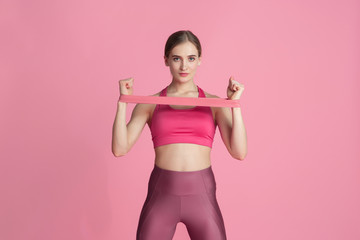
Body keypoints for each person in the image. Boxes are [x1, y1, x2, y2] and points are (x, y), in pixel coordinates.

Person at [112, 30, 247, 240]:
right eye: (177, 58)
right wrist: (123, 101)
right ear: (166, 60)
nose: (184, 66)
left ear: (199, 60)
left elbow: (239, 152)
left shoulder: (214, 103)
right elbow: (119, 149)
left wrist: (234, 104)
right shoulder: (150, 103)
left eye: (191, 59)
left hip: (202, 197)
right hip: (161, 196)